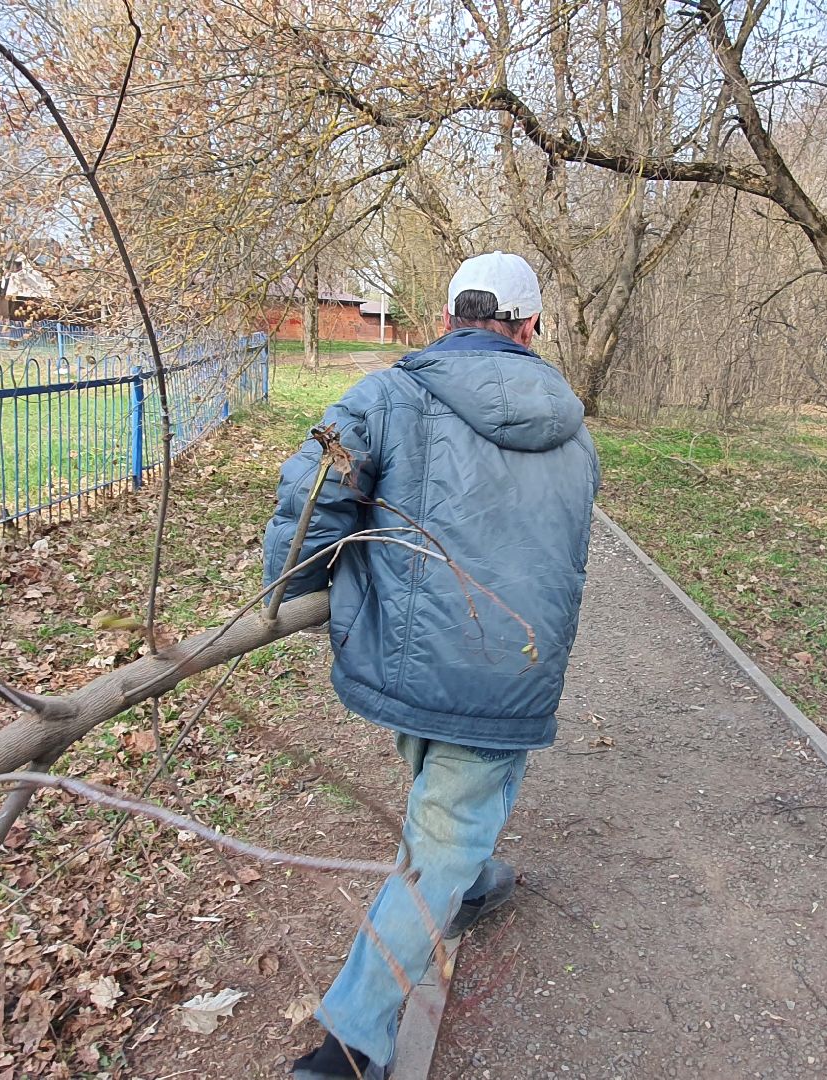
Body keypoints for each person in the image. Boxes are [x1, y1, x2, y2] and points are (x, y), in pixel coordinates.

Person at [262, 252, 599, 1079]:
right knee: (451, 813)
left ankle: (357, 1030)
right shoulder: (574, 429)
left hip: (409, 653)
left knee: (444, 801)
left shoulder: (385, 396)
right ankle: (350, 1048)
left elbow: (313, 493)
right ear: (530, 328)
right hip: (512, 664)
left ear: (446, 319)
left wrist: (291, 592)